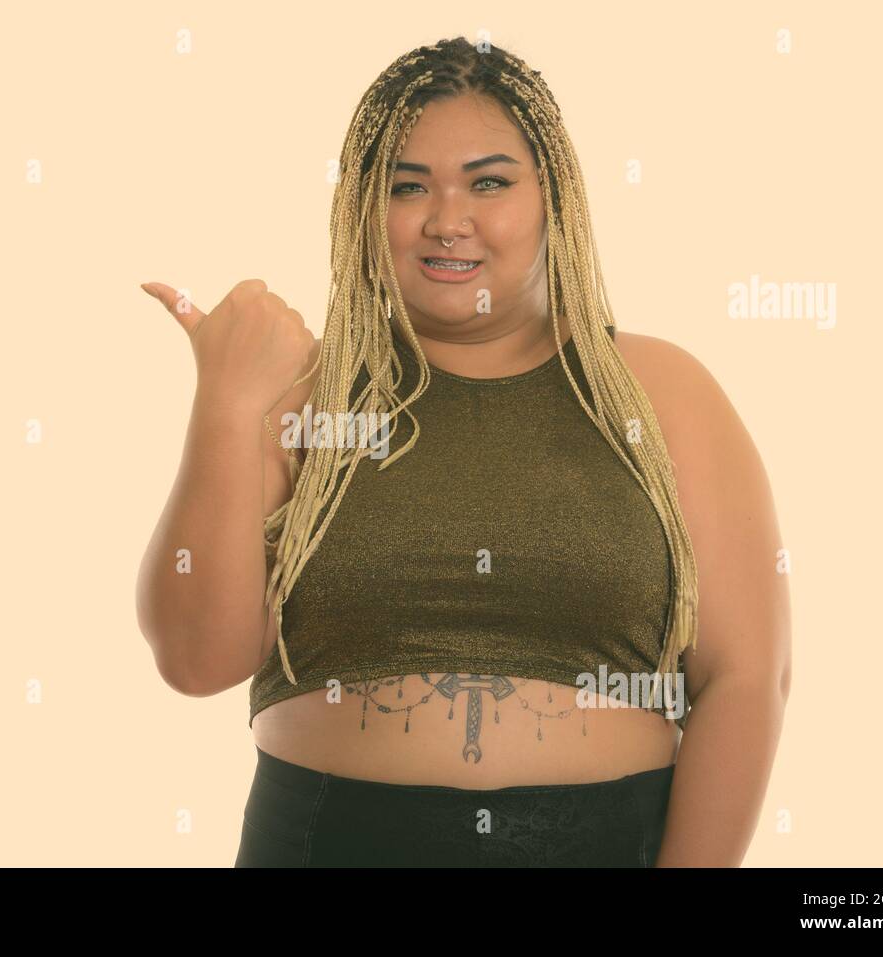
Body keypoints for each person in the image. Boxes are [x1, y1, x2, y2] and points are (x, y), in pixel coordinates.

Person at [136, 36, 791, 867]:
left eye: (489, 181)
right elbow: (195, 660)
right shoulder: (301, 394)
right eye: (408, 186)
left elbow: (744, 677)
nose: (448, 220)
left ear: (552, 195)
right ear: (363, 208)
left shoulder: (661, 392)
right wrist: (227, 405)